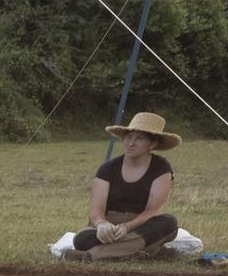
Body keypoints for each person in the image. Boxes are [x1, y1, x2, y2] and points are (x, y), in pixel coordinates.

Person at [68, 111, 180, 261]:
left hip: (140, 226)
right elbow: (96, 210)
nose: (131, 143)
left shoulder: (161, 167)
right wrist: (102, 224)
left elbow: (153, 210)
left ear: (152, 144)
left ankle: (92, 256)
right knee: (81, 240)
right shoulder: (108, 168)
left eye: (139, 138)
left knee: (168, 223)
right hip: (110, 227)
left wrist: (127, 227)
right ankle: (147, 252)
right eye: (128, 137)